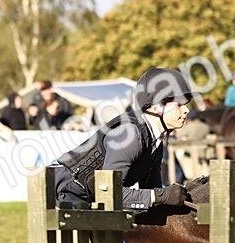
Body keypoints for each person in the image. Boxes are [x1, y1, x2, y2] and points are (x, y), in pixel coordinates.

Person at [54, 66, 198, 211]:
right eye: (179, 105)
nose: (186, 110)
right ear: (155, 107)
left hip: (85, 200)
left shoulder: (155, 141)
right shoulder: (129, 134)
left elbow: (151, 189)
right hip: (64, 196)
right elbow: (109, 193)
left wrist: (168, 197)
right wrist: (160, 196)